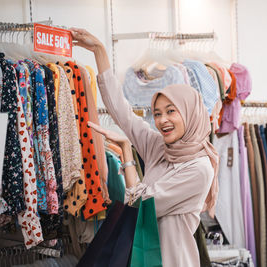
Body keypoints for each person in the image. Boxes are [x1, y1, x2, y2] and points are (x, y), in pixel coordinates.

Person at [70, 28, 219, 267]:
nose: (162, 120)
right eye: (157, 113)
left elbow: (142, 204)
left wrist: (127, 155)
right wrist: (99, 52)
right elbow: (122, 112)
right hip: (138, 257)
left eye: (171, 111)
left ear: (190, 113)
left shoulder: (199, 168)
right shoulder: (159, 146)